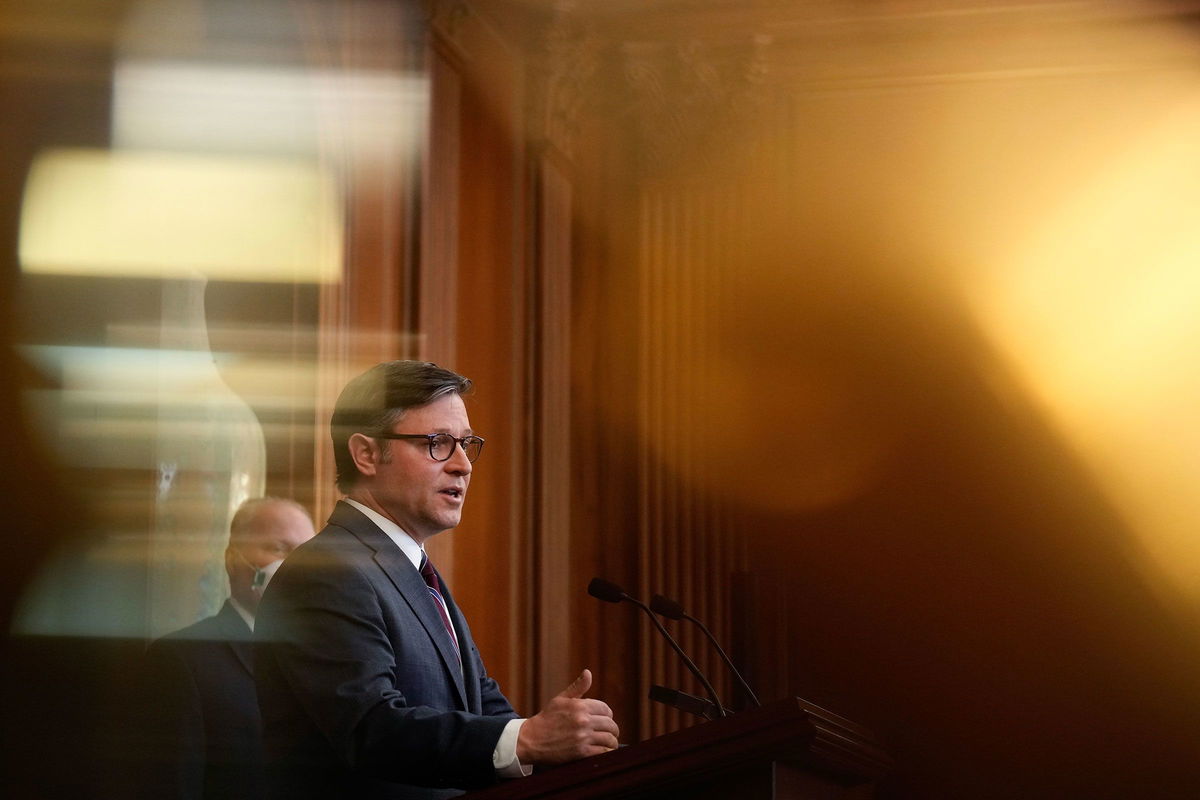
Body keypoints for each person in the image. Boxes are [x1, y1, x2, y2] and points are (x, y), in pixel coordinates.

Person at [255, 361, 619, 799]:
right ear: (366, 454)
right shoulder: (327, 572)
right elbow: (371, 727)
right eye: (438, 444)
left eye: (466, 445)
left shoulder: (412, 573)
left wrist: (569, 747)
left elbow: (484, 710)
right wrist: (528, 740)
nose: (463, 465)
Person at [142, 497, 316, 800]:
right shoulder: (181, 658)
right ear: (233, 559)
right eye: (278, 548)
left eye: (305, 554)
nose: (293, 567)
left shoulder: (328, 655)